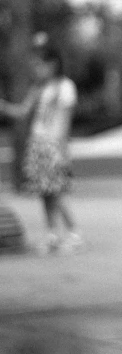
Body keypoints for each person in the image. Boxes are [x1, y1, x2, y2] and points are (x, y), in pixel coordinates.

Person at [0, 37, 82, 253]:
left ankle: (73, 233)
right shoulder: (39, 89)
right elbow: (22, 112)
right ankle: (52, 234)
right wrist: (3, 106)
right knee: (44, 193)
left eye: (39, 65)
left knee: (57, 192)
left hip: (53, 145)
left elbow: (64, 123)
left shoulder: (65, 87)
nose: (35, 70)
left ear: (52, 64)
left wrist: (60, 151)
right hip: (37, 144)